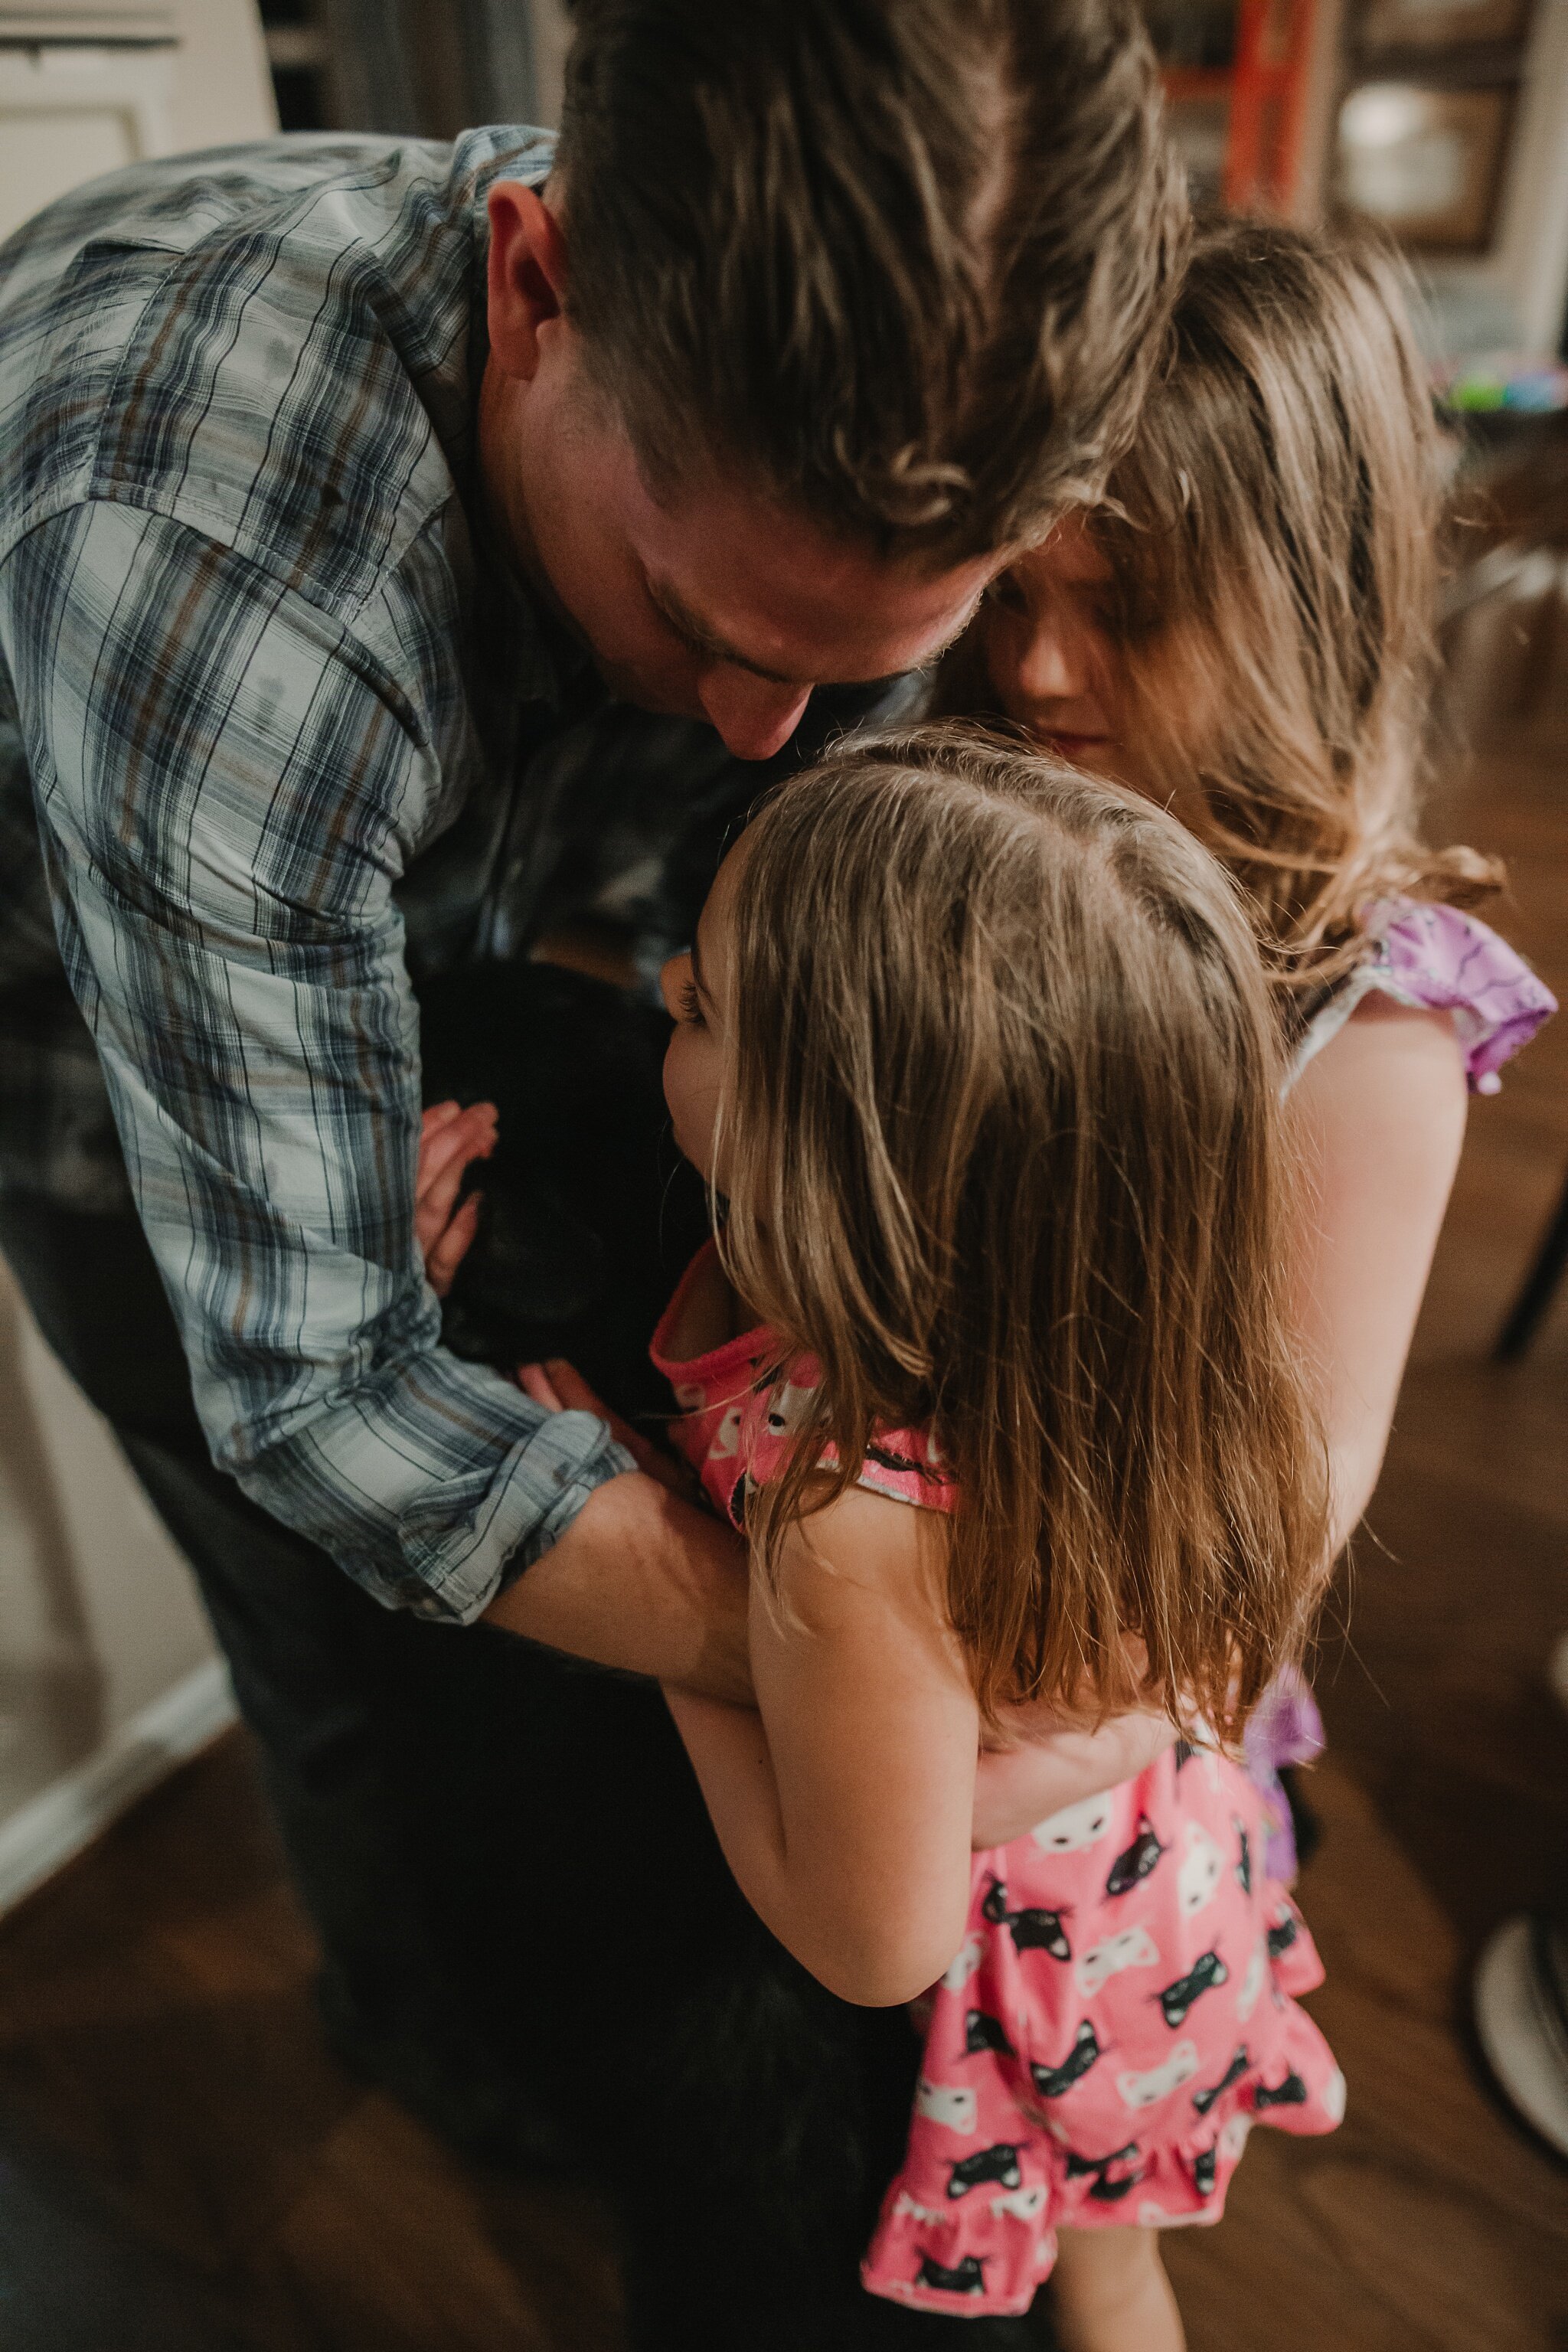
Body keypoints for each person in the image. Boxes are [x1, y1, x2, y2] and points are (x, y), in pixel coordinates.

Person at [0, 3, 1185, 2341]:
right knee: (339, 1644)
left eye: (869, 670)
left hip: (489, 955)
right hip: (108, 1064)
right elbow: (323, 1401)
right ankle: (430, 2043)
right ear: (534, 284)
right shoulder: (201, 526)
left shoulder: (851, 458)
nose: (771, 738)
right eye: (713, 634)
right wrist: (892, 1681)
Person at [419, 727, 1345, 2350]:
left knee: (1096, 2268)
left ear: (834, 1145)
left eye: (695, 1008)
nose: (658, 1020)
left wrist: (681, 1627)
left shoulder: (850, 1526)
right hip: (1159, 1863)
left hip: (1046, 1978)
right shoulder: (1102, 1313)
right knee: (1125, 2265)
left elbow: (872, 1939)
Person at [938, 220, 1556, 1867]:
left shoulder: (1370, 1043)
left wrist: (948, 1779)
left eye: (1126, 610)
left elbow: (1256, 1571)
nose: (1040, 668)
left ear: (1313, 602)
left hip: (1067, 1753)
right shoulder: (981, 844)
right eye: (1011, 594)